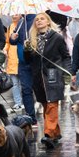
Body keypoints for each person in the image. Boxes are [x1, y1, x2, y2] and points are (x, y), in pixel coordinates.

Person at [25, 12, 71, 149]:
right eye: (37, 20)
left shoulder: (56, 37)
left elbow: (66, 56)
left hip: (53, 75)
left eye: (42, 19)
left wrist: (68, 72)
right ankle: (56, 133)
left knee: (52, 104)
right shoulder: (32, 39)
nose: (39, 21)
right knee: (46, 105)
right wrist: (26, 50)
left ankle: (49, 133)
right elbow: (28, 61)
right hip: (38, 77)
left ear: (48, 21)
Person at [9, 14, 37, 124]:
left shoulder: (36, 19)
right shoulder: (21, 22)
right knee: (26, 89)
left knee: (38, 90)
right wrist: (12, 38)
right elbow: (13, 41)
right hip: (23, 62)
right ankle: (31, 117)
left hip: (36, 61)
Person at [4, 14, 23, 111]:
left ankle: (26, 101)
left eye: (16, 13)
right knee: (15, 83)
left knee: (24, 83)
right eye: (13, 13)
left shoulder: (24, 25)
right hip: (12, 58)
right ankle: (18, 102)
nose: (14, 15)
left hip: (22, 57)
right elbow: (8, 42)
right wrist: (5, 50)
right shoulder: (10, 27)